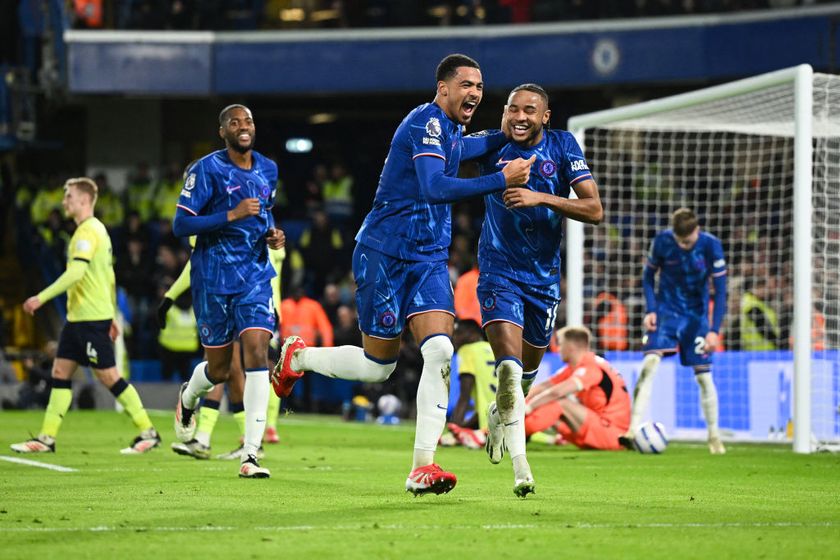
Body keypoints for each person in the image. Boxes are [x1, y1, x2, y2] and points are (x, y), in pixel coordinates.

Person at [272, 53, 535, 496]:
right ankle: (299, 357)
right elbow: (435, 187)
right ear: (443, 88)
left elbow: (467, 148)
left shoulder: (451, 130)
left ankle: (422, 467)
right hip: (383, 253)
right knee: (379, 367)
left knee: (440, 352)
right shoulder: (425, 124)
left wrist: (501, 135)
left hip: (429, 259)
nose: (475, 92)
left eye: (480, 86)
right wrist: (502, 178)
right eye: (466, 84)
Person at [475, 83, 602, 497]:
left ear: (545, 116)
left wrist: (540, 198)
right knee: (508, 369)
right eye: (513, 109)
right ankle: (521, 468)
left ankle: (499, 413)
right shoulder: (489, 145)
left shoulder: (564, 146)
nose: (520, 117)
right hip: (498, 272)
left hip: (543, 280)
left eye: (530, 110)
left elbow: (594, 209)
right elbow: (438, 168)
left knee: (523, 380)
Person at [171, 104, 284, 478]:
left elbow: (264, 214)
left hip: (254, 275)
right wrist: (230, 215)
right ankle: (189, 396)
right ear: (223, 131)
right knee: (219, 370)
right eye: (234, 122)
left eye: (248, 120)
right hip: (213, 280)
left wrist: (273, 234)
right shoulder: (205, 169)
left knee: (256, 351)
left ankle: (250, 453)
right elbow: (180, 224)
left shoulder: (269, 168)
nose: (243, 126)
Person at [11, 177, 161, 454]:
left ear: (82, 200)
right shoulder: (91, 231)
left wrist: (40, 298)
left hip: (91, 319)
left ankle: (148, 432)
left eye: (68, 196)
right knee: (60, 372)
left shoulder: (88, 232)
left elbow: (77, 273)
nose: (64, 201)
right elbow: (108, 276)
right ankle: (47, 438)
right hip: (78, 319)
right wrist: (114, 315)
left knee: (108, 377)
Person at [624, 207, 727, 454]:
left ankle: (714, 436)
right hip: (666, 314)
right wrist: (651, 309)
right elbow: (648, 277)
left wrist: (714, 329)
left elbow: (721, 291)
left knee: (703, 377)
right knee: (649, 364)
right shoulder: (662, 242)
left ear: (697, 231)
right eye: (680, 241)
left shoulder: (711, 246)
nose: (683, 245)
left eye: (688, 241)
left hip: (696, 319)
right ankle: (631, 429)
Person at [524, 326, 630, 450]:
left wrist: (528, 408)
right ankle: (517, 429)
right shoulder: (576, 367)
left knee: (561, 403)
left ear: (571, 347)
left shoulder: (591, 367)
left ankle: (519, 431)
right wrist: (520, 401)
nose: (558, 349)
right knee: (551, 410)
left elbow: (556, 393)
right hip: (598, 428)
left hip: (612, 433)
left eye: (561, 344)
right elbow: (543, 386)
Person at [446, 319, 496, 449]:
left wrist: (454, 430)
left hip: (490, 428)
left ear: (472, 333)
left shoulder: (467, 350)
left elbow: (464, 396)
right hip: (514, 418)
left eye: (458, 334)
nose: (454, 339)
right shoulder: (494, 348)